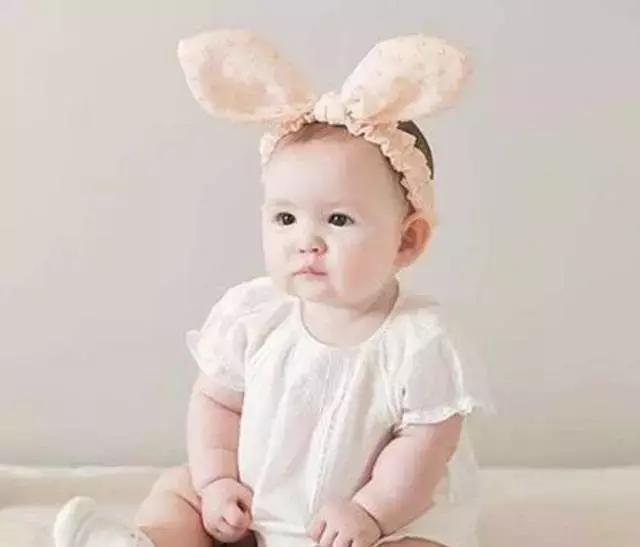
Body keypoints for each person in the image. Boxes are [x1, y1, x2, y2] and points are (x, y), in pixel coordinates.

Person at [52, 29, 497, 547]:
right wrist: (218, 483)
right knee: (178, 490)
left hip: (373, 523)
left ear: (406, 240)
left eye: (338, 219)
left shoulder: (420, 341)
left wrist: (370, 513)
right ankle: (151, 541)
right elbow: (218, 404)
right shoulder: (254, 314)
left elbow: (426, 447)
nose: (306, 241)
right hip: (254, 502)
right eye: (286, 218)